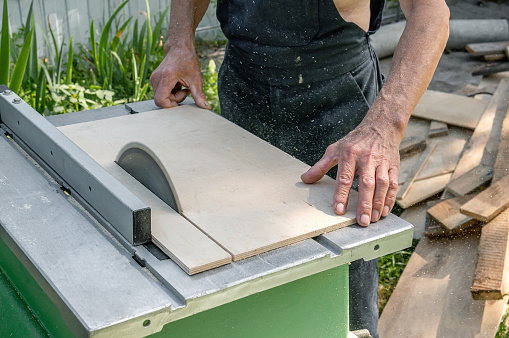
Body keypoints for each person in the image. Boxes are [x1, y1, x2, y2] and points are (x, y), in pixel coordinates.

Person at [150, 1, 450, 336]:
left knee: (344, 265)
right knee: (239, 242)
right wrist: (180, 43)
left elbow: (430, 12)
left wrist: (384, 125)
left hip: (338, 97)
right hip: (244, 85)